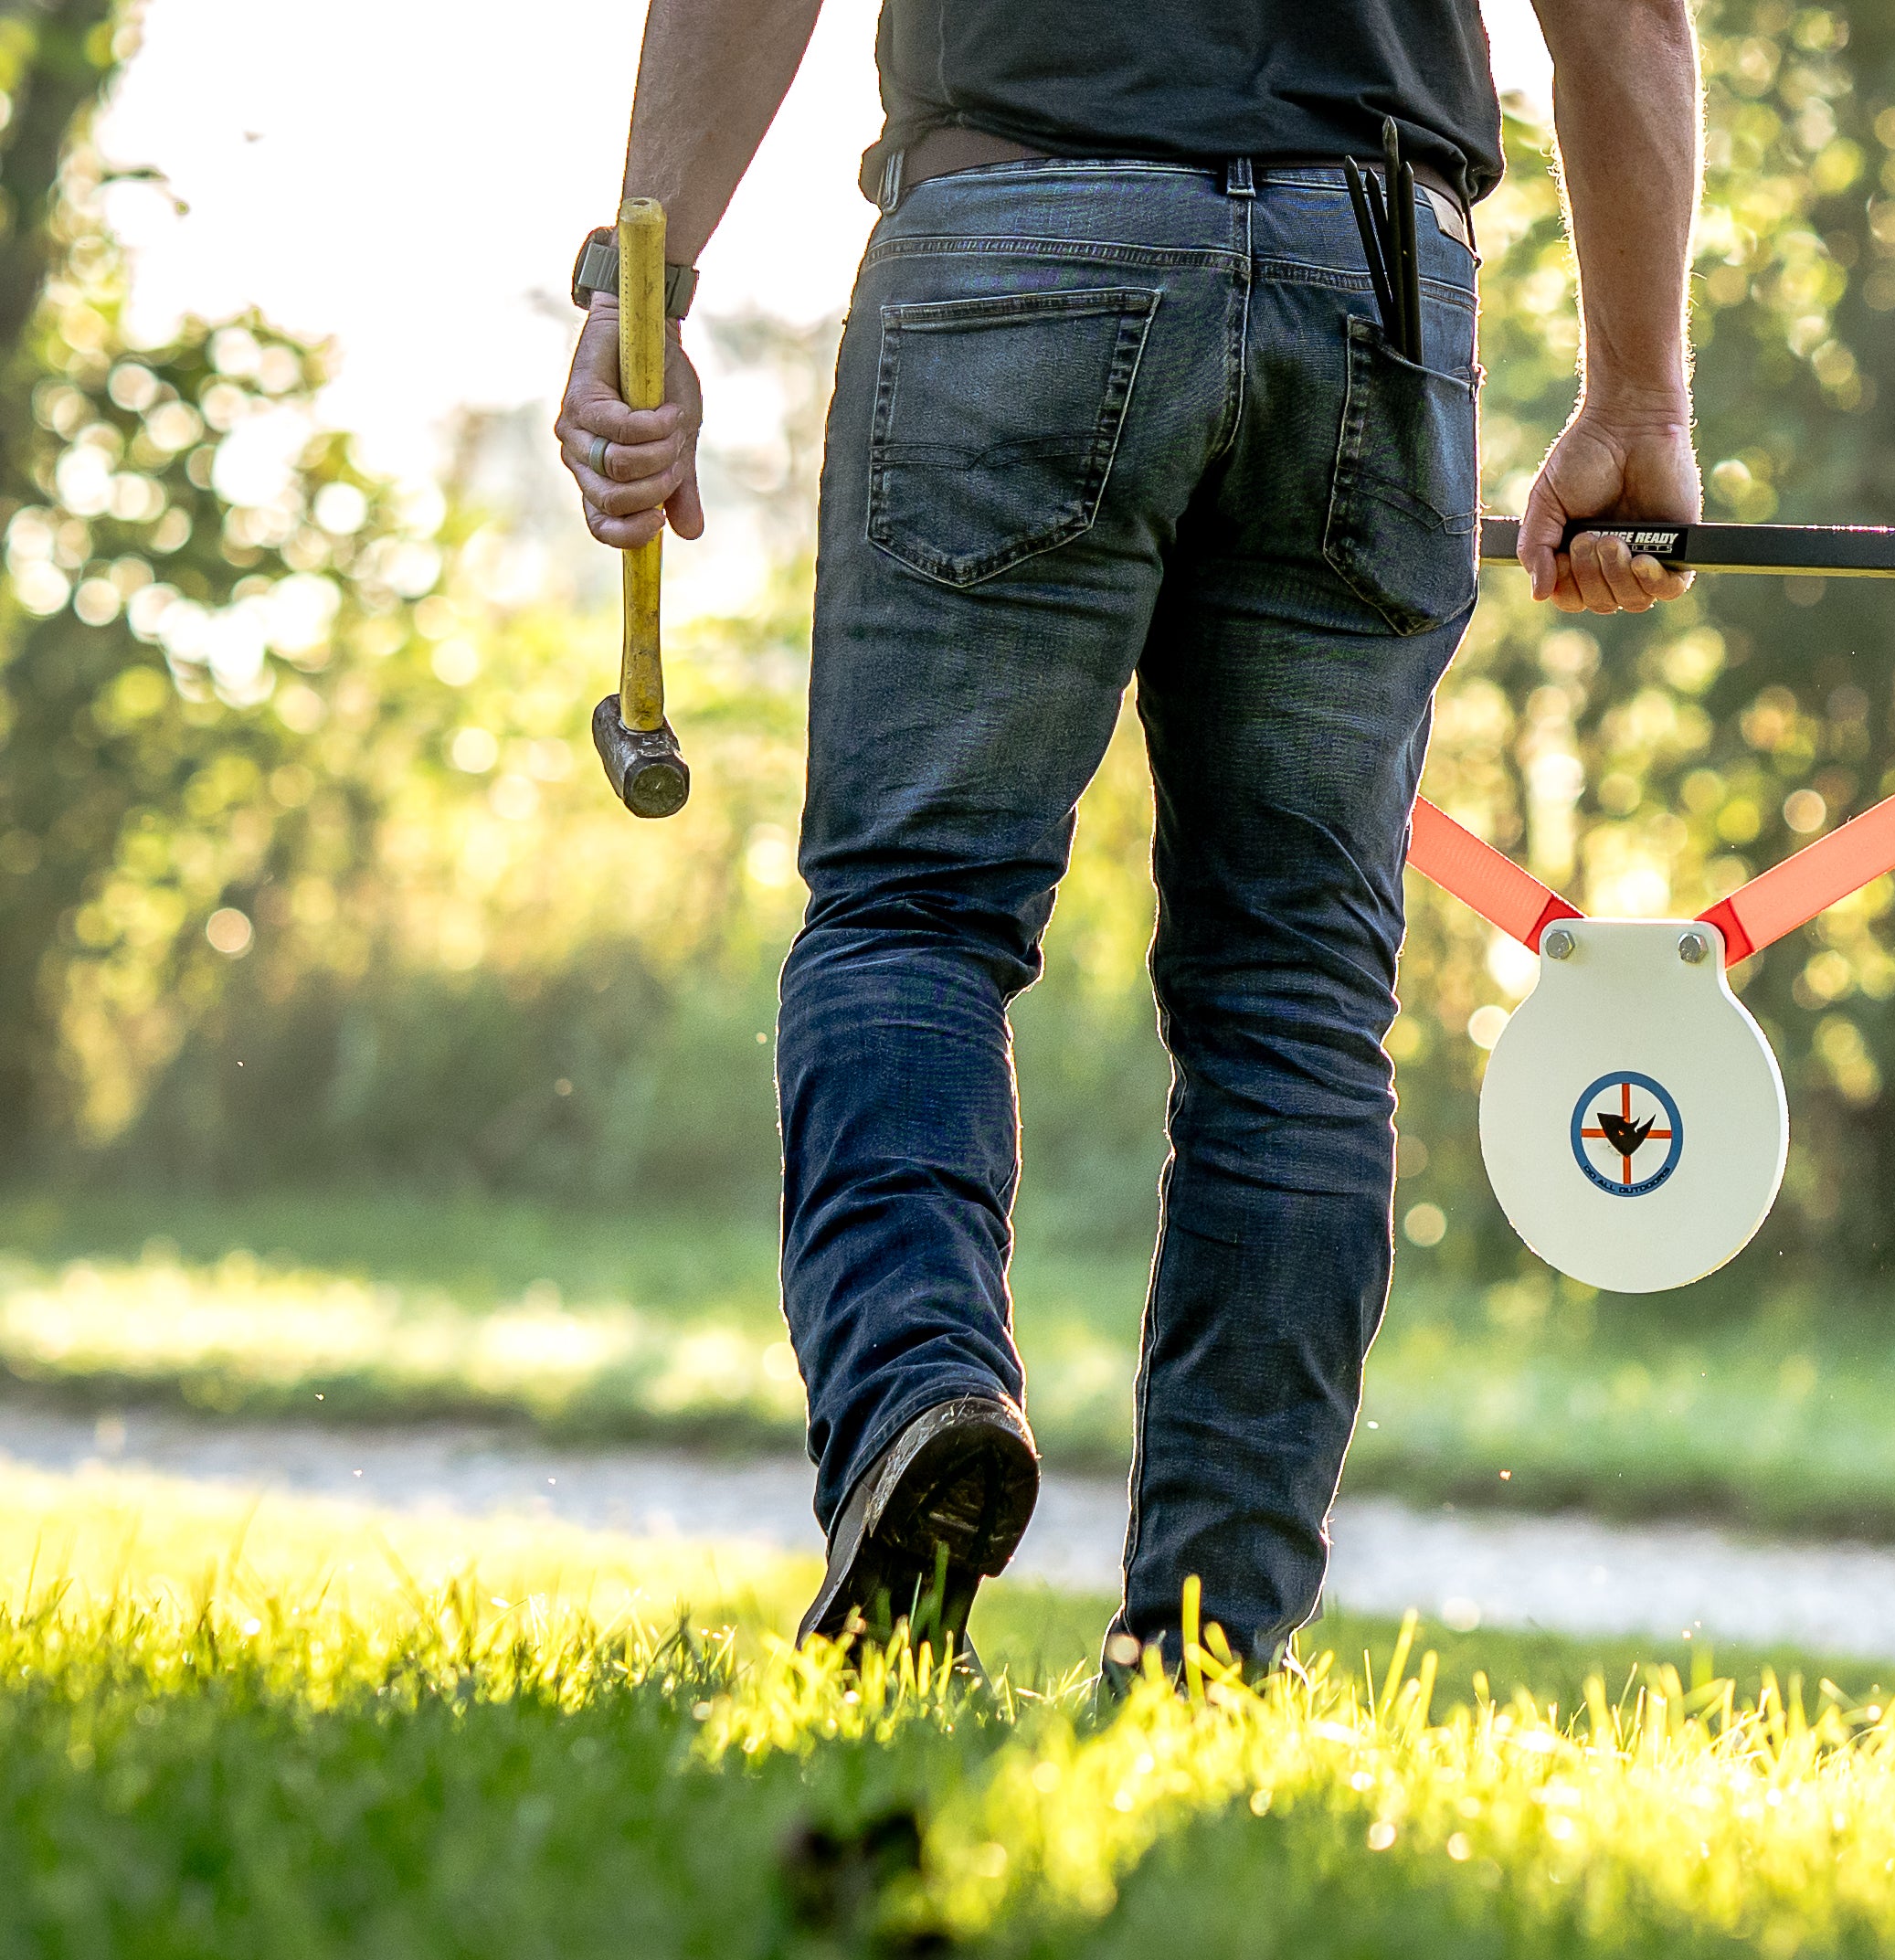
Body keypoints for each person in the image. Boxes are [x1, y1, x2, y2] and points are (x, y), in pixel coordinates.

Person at [556, 0, 1702, 1676]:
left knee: (912, 916)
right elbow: (1627, 18)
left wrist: (638, 284)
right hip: (1371, 268)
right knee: (1295, 994)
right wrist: (1638, 394)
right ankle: (1207, 1649)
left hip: (1014, 229)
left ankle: (921, 1398)